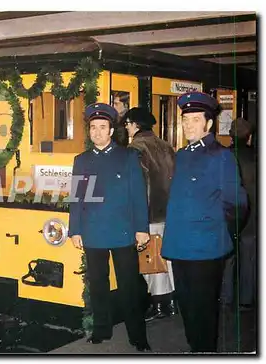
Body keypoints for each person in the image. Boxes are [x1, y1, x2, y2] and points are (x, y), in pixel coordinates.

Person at [161, 92, 248, 353]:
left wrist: (222, 236)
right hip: (179, 247)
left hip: (206, 248)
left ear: (209, 124)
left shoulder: (220, 156)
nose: (189, 125)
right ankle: (194, 350)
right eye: (185, 120)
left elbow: (238, 204)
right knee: (186, 305)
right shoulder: (182, 154)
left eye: (195, 120)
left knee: (204, 309)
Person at [68, 102, 151, 352]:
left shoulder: (127, 157)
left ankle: (138, 335)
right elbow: (76, 198)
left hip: (123, 232)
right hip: (93, 233)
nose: (97, 132)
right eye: (93, 128)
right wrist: (75, 230)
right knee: (98, 285)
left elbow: (138, 195)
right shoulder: (81, 161)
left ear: (111, 131)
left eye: (102, 127)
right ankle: (101, 330)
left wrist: (141, 228)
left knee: (129, 286)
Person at [123, 107, 177, 322]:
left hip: (148, 213)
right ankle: (171, 302)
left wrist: (137, 217)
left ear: (135, 124)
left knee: (150, 262)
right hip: (168, 212)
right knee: (166, 259)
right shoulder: (166, 145)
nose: (126, 127)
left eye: (127, 123)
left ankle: (160, 305)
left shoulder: (135, 148)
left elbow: (137, 186)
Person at [221, 117, 256, 309]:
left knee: (227, 256)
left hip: (229, 214)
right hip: (252, 215)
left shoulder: (223, 156)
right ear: (249, 137)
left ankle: (225, 297)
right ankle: (246, 298)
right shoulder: (257, 157)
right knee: (249, 256)